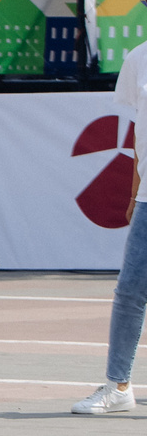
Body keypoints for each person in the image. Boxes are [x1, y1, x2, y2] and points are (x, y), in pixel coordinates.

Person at [76, 35, 147, 414]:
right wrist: (136, 193)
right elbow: (140, 133)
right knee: (131, 291)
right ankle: (118, 387)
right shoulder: (139, 58)